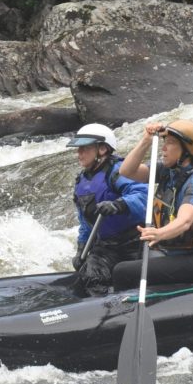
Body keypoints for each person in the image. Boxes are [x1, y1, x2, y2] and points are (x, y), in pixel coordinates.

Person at [112, 119, 193, 290]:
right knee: (128, 254)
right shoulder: (167, 172)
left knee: (122, 271)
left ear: (187, 151)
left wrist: (158, 234)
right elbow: (126, 171)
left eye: (170, 143)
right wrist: (146, 140)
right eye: (164, 142)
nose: (163, 148)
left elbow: (185, 221)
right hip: (173, 253)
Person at [67, 123, 148, 296]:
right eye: (78, 148)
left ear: (102, 149)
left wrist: (118, 205)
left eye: (84, 148)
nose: (79, 153)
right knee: (88, 275)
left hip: (134, 245)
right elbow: (85, 222)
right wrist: (81, 248)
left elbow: (142, 196)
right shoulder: (81, 181)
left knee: (108, 275)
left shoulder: (117, 171)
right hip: (105, 247)